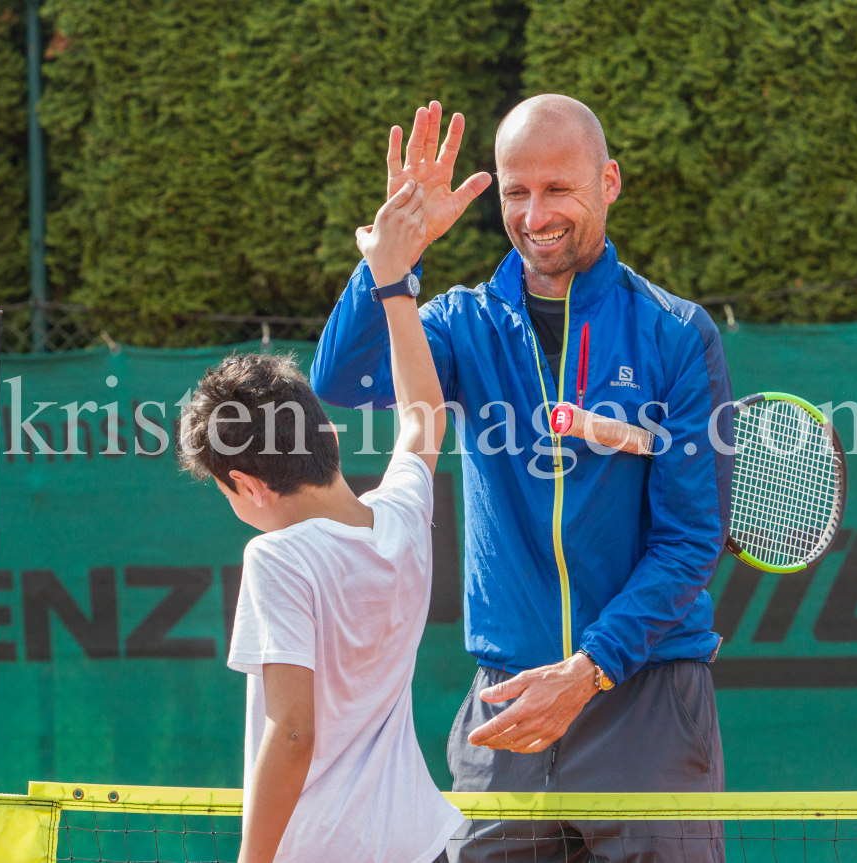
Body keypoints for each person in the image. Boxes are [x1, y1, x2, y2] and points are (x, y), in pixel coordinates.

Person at [312, 95, 734, 862]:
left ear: (608, 182)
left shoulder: (675, 333)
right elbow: (345, 376)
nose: (535, 214)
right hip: (505, 703)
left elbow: (690, 542)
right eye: (516, 191)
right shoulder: (458, 323)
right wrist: (388, 263)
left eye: (557, 188)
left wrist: (588, 671)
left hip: (645, 702)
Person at [180, 179, 464, 863]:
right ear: (330, 439)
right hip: (425, 845)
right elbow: (424, 413)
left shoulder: (277, 560)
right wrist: (393, 282)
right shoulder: (398, 521)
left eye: (224, 490)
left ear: (244, 484)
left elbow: (294, 731)